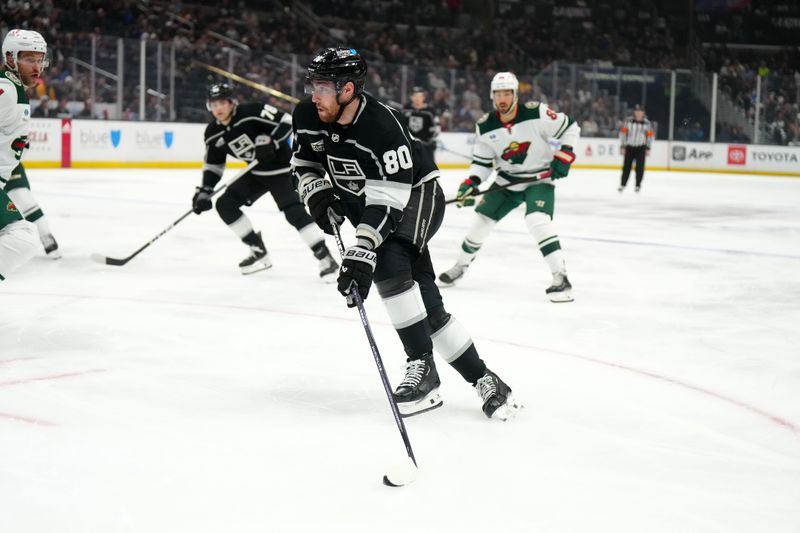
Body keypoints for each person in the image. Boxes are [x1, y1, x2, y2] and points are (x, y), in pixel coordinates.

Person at [292, 47, 521, 420]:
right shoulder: (307, 114)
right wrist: (317, 194)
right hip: (365, 201)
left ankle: (423, 371)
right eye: (312, 85)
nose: (313, 95)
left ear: (347, 89)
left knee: (386, 261)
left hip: (415, 195)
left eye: (322, 86)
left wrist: (361, 249)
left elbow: (388, 199)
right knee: (426, 308)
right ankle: (486, 379)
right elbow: (303, 163)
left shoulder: (383, 125)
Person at [438, 72, 579, 303]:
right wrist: (471, 182)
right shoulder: (485, 126)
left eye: (507, 93)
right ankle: (460, 266)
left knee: (537, 221)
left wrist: (565, 154)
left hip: (538, 179)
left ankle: (560, 277)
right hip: (507, 181)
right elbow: (482, 163)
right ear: (492, 96)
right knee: (480, 223)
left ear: (515, 95)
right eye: (498, 94)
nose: (502, 98)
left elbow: (571, 128)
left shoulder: (536, 113)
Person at [193, 83, 338, 278]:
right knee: (225, 204)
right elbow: (214, 165)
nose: (218, 108)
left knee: (294, 212)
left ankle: (325, 258)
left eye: (222, 103)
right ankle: (257, 250)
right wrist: (205, 190)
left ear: (231, 102)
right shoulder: (213, 133)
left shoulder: (252, 111)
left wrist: (272, 142)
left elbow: (287, 120)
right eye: (213, 104)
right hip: (257, 173)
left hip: (284, 169)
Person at [0, 29, 51, 281]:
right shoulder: (6, 90)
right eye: (29, 59)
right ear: (10, 58)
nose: (37, 66)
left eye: (40, 59)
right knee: (22, 237)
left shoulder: (14, 89)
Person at [618, 104, 653, 193]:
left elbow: (649, 136)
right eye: (636, 111)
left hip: (641, 148)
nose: (638, 113)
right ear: (634, 112)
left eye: (640, 111)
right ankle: (622, 184)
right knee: (626, 167)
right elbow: (623, 134)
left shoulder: (647, 123)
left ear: (643, 113)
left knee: (640, 167)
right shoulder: (628, 121)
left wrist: (648, 147)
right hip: (629, 147)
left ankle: (638, 185)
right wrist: (623, 146)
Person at [402, 86, 440, 163]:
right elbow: (400, 126)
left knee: (429, 170)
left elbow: (437, 128)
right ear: (411, 97)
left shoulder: (430, 111)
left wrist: (431, 139)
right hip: (409, 146)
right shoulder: (405, 109)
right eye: (415, 96)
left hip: (425, 145)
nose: (417, 98)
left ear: (423, 97)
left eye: (419, 96)